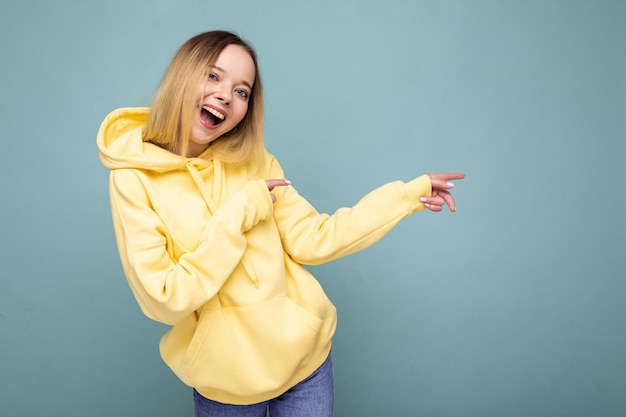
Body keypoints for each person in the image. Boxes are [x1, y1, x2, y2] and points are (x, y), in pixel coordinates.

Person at [97, 30, 465, 417]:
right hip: (226, 385)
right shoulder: (132, 177)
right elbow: (163, 297)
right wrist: (236, 217)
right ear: (182, 75)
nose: (226, 95)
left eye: (242, 91)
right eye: (213, 76)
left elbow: (314, 239)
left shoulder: (255, 161)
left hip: (306, 366)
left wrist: (406, 197)